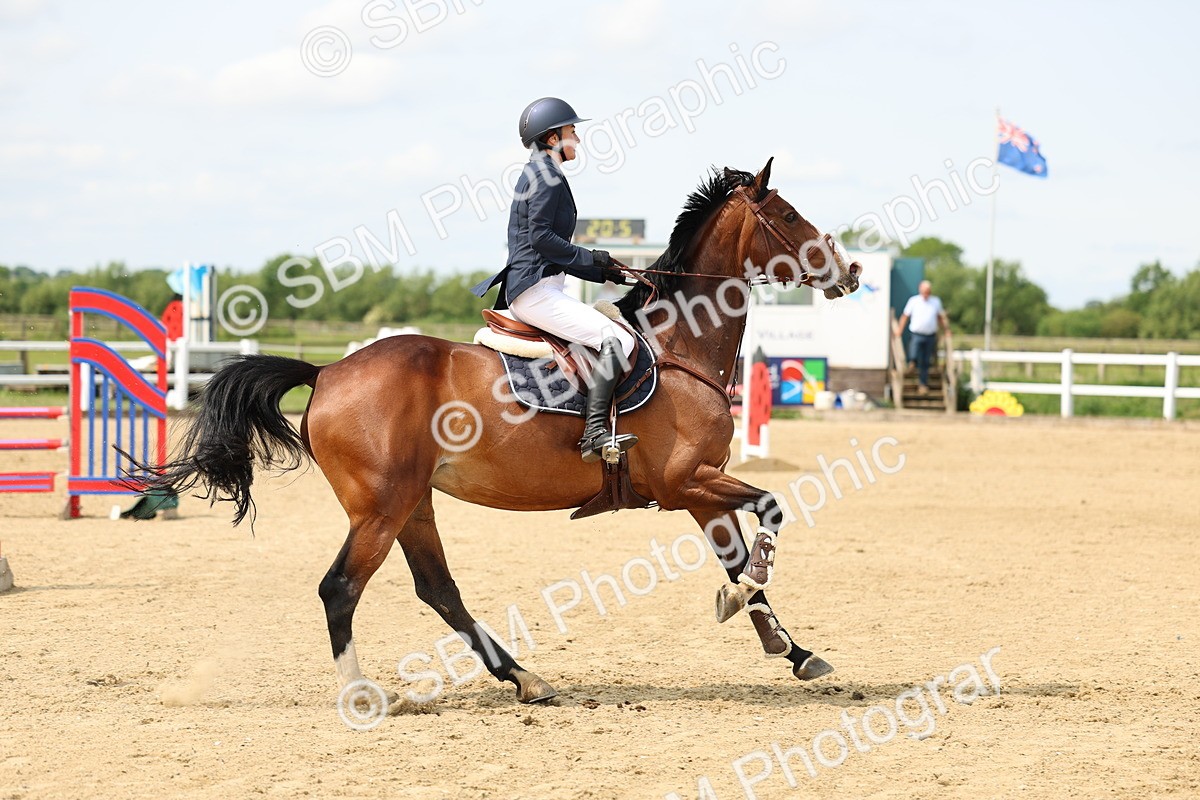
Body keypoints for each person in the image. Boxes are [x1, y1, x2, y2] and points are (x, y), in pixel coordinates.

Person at [470, 97, 637, 462]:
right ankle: (594, 433)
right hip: (535, 290)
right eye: (572, 130)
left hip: (540, 285)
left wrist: (598, 269)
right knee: (616, 338)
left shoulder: (541, 171)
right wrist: (593, 259)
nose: (577, 137)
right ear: (552, 138)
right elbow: (542, 238)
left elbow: (547, 244)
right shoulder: (547, 175)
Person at [896, 280, 949, 394]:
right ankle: (912, 363)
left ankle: (923, 384)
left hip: (930, 335)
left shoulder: (935, 301)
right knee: (914, 352)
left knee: (925, 361)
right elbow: (905, 316)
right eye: (925, 291)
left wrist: (946, 330)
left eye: (928, 291)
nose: (926, 294)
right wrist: (899, 330)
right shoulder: (914, 301)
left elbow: (940, 317)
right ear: (920, 290)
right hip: (917, 333)